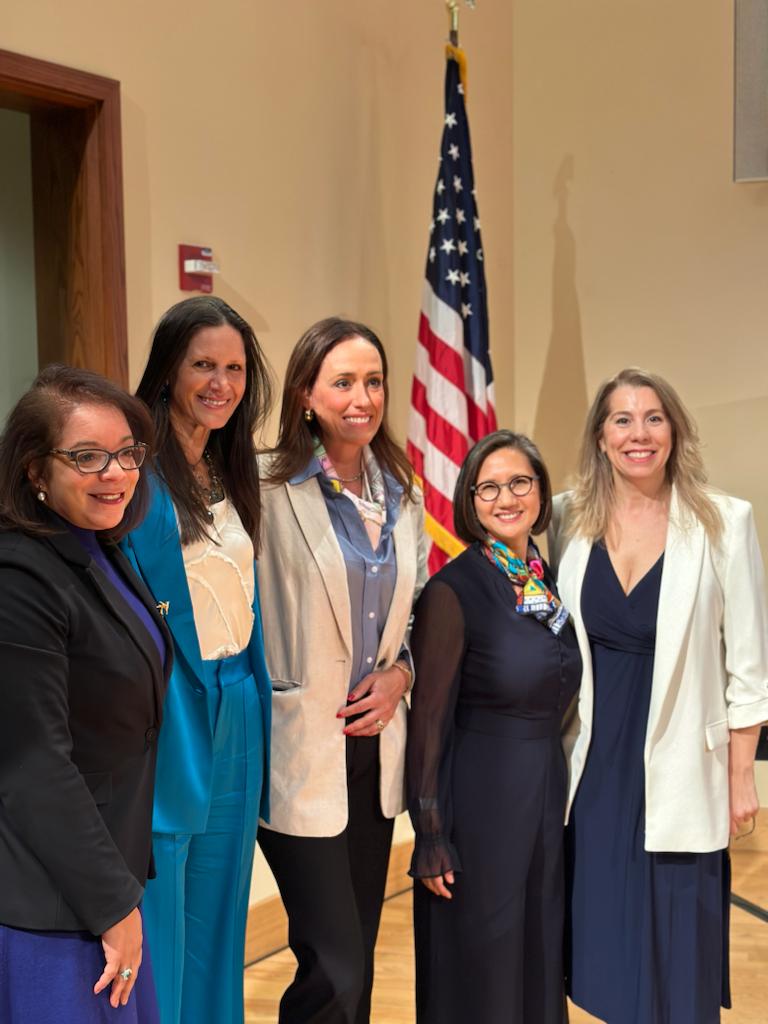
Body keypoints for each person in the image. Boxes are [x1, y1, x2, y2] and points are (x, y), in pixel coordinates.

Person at [549, 367, 768, 1024]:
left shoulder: (725, 522)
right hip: (593, 768)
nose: (638, 433)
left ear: (674, 431)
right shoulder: (565, 518)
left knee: (678, 953)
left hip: (684, 769)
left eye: (653, 418)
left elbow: (749, 669)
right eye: (622, 419)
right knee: (605, 949)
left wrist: (741, 777)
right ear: (600, 436)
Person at [256, 316, 427, 1024]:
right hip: (300, 746)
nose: (363, 398)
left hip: (373, 751)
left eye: (374, 381)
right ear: (305, 393)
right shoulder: (266, 488)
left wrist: (402, 675)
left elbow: (414, 614)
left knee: (358, 951)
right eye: (344, 382)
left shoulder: (402, 491)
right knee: (336, 965)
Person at [0, 364, 169, 1023]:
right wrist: (111, 904)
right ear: (35, 470)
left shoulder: (97, 545)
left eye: (127, 453)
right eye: (87, 457)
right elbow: (33, 765)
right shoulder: (19, 577)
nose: (116, 473)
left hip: (102, 877)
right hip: (52, 901)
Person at [121, 296, 274, 1024]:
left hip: (238, 696)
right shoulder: (135, 477)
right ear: (168, 371)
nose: (221, 383)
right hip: (172, 704)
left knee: (221, 910)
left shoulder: (227, 467)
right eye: (203, 365)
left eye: (234, 369)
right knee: (165, 910)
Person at [406, 429, 581, 1024]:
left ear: (541, 493)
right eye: (489, 488)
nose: (506, 498)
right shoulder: (452, 591)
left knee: (536, 952)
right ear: (469, 500)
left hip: (543, 795)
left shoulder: (542, 580)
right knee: (486, 961)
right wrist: (431, 834)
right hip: (482, 805)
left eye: (519, 483)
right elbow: (428, 721)